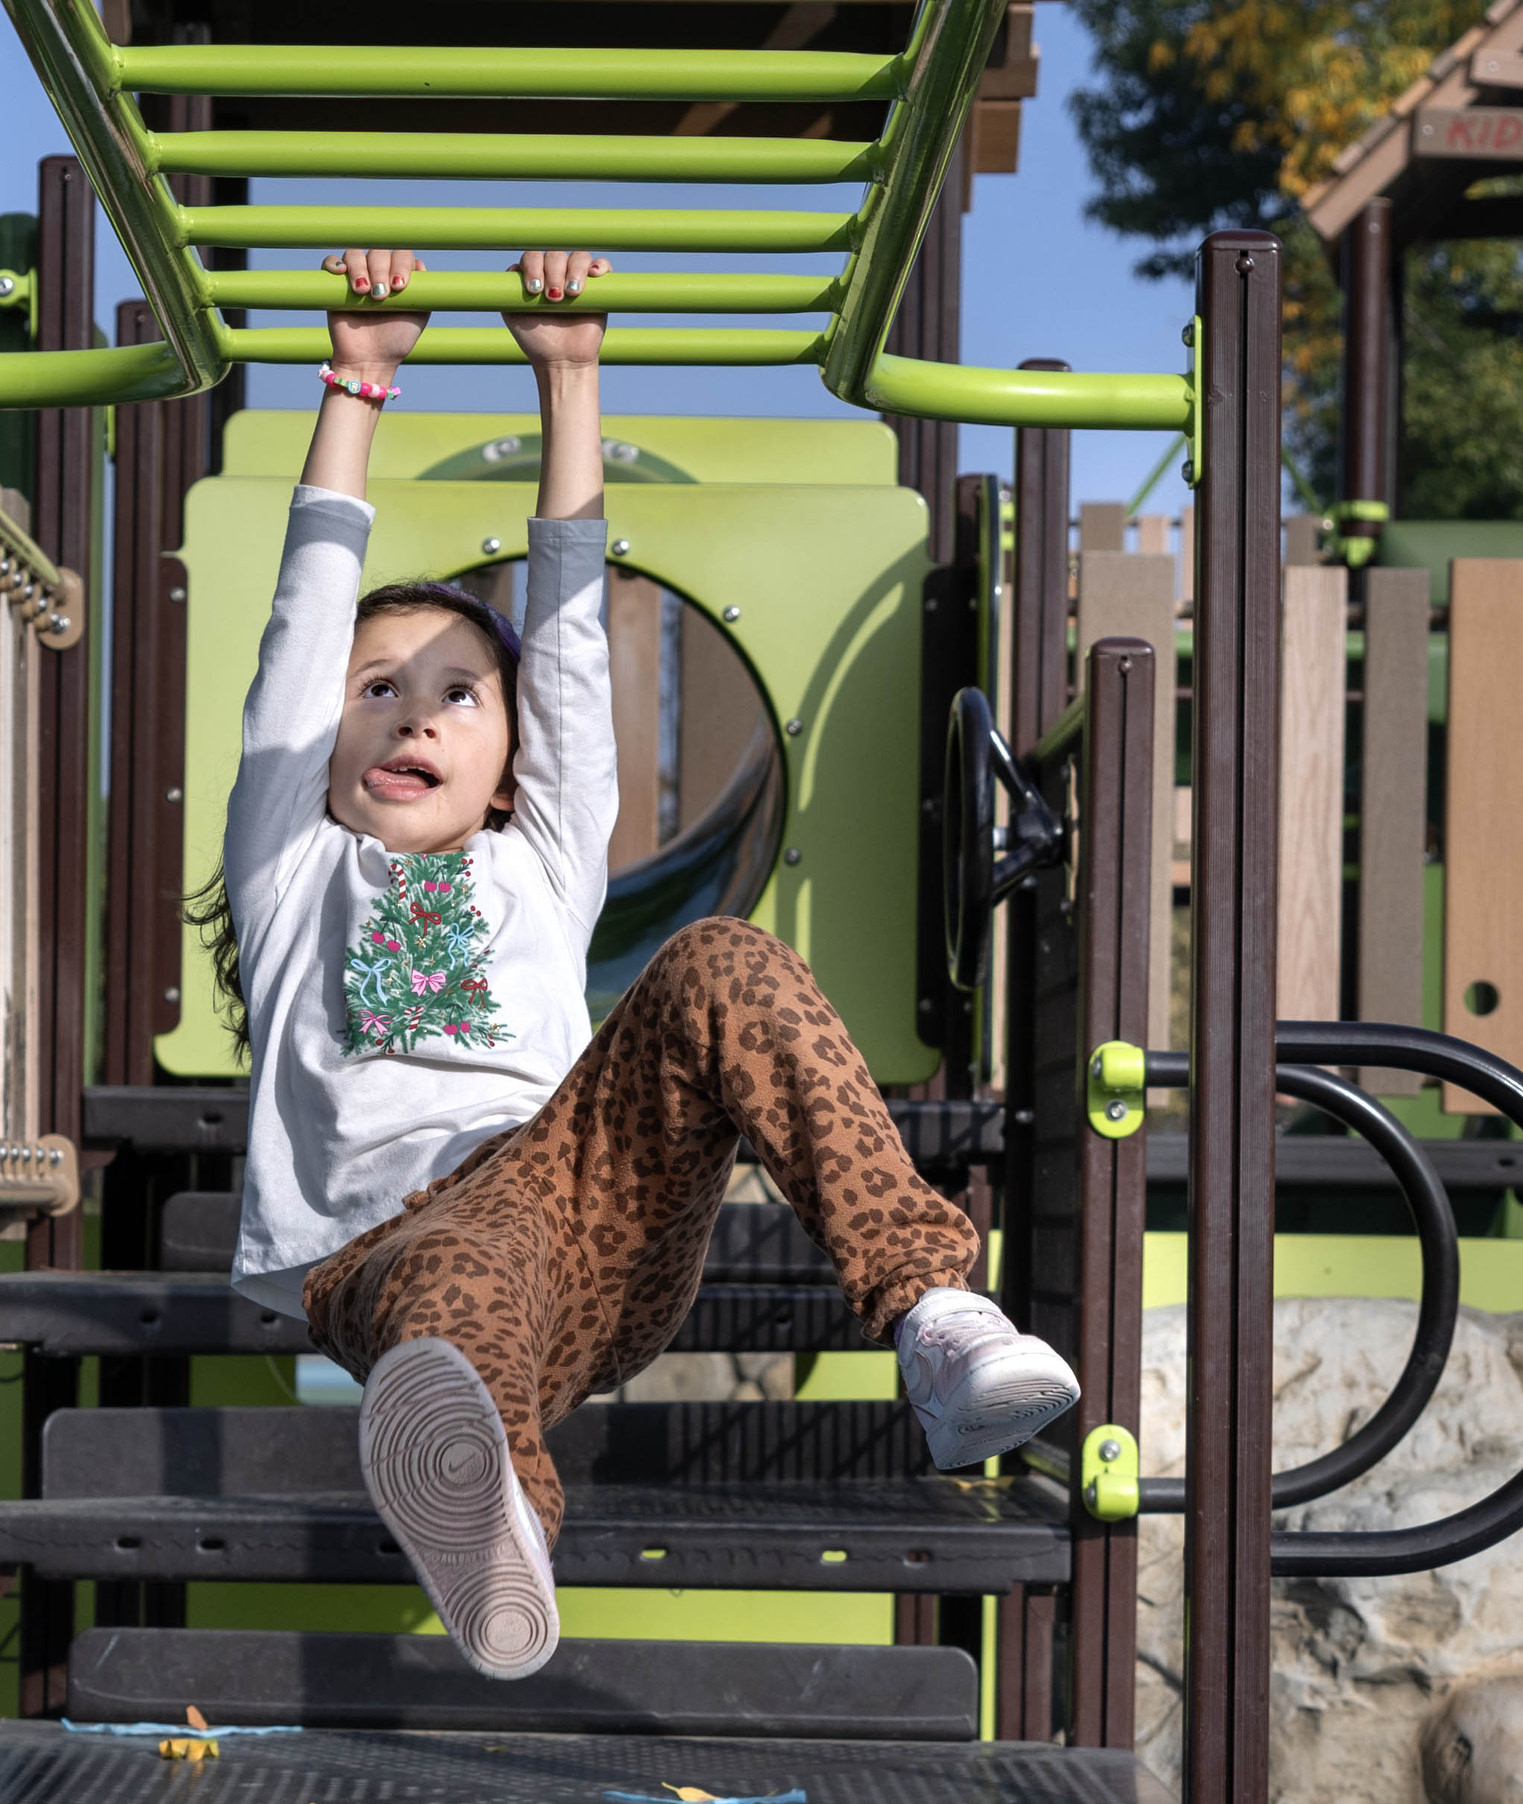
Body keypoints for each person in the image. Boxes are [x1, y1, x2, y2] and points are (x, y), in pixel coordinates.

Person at [202, 248, 1078, 1679]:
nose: (413, 712)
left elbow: (567, 633)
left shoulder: (542, 860)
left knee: (722, 959)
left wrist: (571, 379)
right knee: (454, 1285)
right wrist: (359, 378)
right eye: (379, 692)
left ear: (508, 769)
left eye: (456, 694)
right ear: (327, 744)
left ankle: (933, 1316)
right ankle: (502, 1532)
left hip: (581, 1203)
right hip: (379, 1250)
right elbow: (303, 627)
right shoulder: (292, 865)